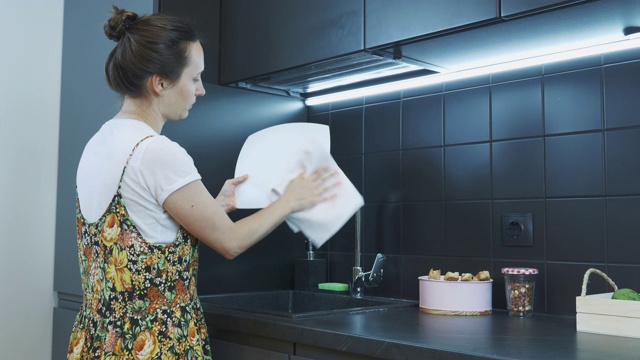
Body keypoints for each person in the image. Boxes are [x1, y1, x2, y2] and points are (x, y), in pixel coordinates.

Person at [67, 6, 337, 359]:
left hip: (99, 343)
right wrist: (290, 200)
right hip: (156, 347)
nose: (201, 90)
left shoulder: (99, 143)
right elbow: (231, 242)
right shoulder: (157, 152)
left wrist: (214, 205)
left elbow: (140, 223)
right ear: (160, 82)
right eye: (194, 78)